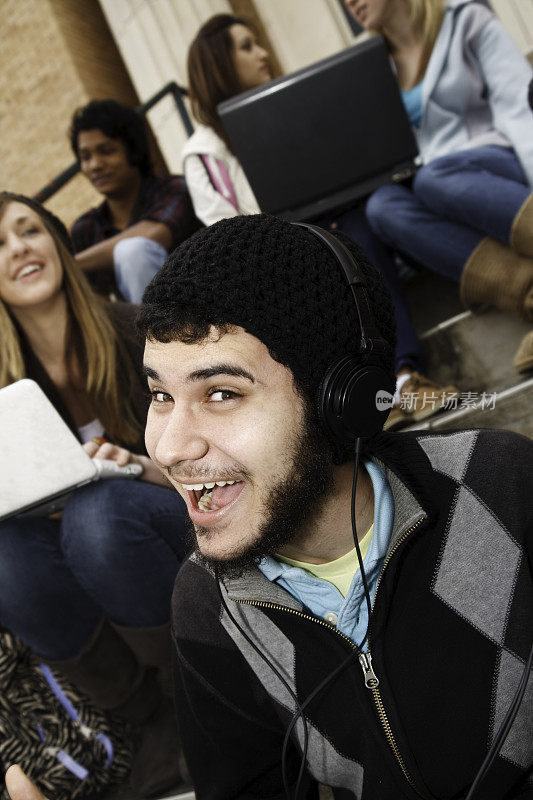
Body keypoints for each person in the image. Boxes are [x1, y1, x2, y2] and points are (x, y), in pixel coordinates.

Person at [6, 215, 533, 797]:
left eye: (222, 393)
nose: (169, 447)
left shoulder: (501, 486)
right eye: (160, 394)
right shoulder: (207, 604)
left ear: (342, 401)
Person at [182, 13, 458, 431]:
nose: (262, 53)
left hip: (339, 229)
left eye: (258, 43)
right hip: (277, 260)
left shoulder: (296, 110)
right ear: (217, 64)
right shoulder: (202, 153)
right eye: (246, 46)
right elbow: (228, 230)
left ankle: (404, 377)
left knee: (357, 234)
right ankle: (371, 390)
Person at [0, 192, 190, 796]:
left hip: (174, 519)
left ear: (57, 241)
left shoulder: (139, 329)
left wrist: (135, 466)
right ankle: (148, 719)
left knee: (98, 512)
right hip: (74, 550)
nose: (18, 249)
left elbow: (220, 455)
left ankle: (191, 689)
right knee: (5, 557)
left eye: (28, 230)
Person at [344, 0, 533, 373]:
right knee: (382, 206)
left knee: (434, 179)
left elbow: (518, 109)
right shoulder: (371, 65)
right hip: (431, 186)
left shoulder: (467, 21)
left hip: (494, 167)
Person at [70, 99, 201, 303]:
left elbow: (155, 234)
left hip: (206, 312)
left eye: (107, 151)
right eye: (85, 157)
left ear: (134, 151)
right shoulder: (85, 229)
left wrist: (70, 263)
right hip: (134, 328)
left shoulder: (175, 189)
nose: (95, 165)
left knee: (133, 252)